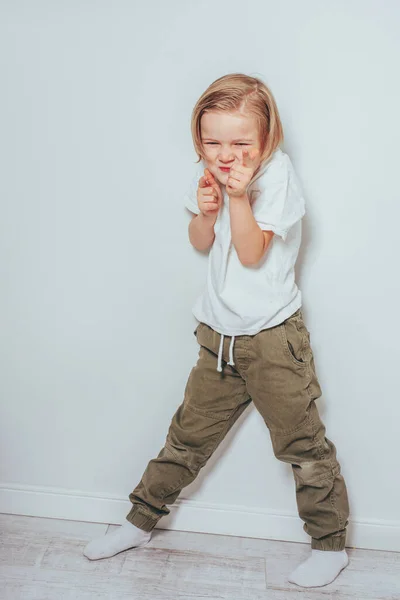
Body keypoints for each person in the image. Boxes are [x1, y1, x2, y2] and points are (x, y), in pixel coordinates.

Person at [83, 73, 350, 588]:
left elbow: (252, 253)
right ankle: (139, 521)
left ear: (267, 139)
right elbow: (202, 241)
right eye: (212, 142)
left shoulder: (278, 176)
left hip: (272, 341)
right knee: (184, 439)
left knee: (303, 447)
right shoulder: (209, 172)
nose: (225, 155)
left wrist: (239, 197)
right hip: (218, 337)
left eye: (240, 143)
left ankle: (329, 544)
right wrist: (207, 212)